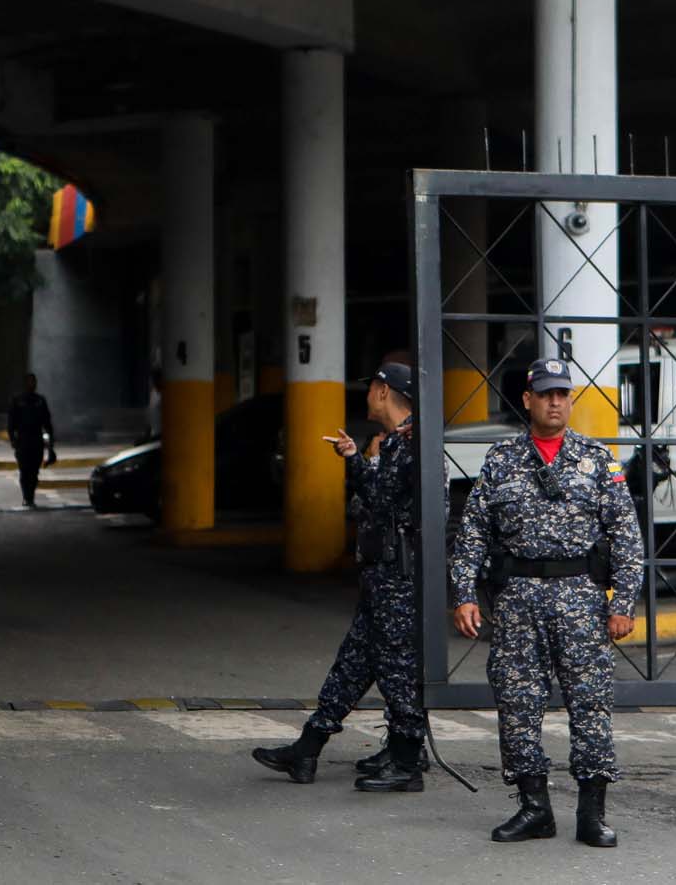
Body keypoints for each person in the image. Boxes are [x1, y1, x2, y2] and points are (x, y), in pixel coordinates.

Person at [450, 357, 644, 848]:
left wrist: (623, 601)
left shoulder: (598, 460)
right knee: (517, 703)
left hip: (580, 595)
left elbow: (626, 536)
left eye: (563, 394)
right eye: (547, 394)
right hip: (517, 598)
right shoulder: (501, 460)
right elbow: (473, 529)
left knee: (590, 704)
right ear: (528, 400)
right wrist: (464, 594)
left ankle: (591, 814)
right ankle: (534, 808)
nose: (556, 402)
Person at [251, 359, 440, 791]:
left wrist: (358, 464)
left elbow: (386, 502)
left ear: (382, 391)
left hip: (399, 577)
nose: (366, 395)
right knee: (353, 664)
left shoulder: (413, 445)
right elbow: (374, 502)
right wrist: (360, 459)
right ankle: (308, 747)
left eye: (370, 387)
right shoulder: (396, 444)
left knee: (395, 666)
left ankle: (408, 761)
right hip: (381, 575)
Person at [6, 373, 56, 506]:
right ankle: (26, 497)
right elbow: (11, 423)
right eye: (29, 382)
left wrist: (51, 446)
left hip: (37, 441)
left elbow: (47, 424)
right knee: (24, 470)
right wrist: (13, 440)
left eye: (33, 382)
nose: (31, 384)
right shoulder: (17, 401)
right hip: (23, 441)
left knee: (34, 471)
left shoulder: (40, 401)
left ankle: (30, 497)